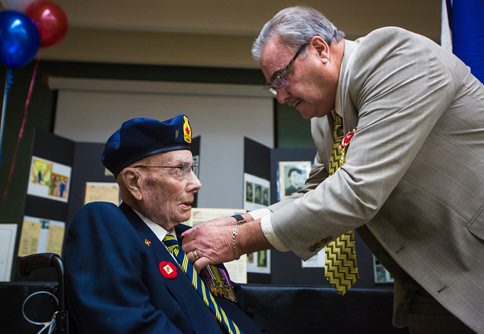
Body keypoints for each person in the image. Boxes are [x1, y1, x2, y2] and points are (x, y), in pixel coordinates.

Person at [181, 6, 484, 334]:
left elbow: (356, 191)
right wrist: (242, 220)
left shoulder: (395, 58)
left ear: (319, 49)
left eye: (282, 78)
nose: (281, 96)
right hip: (427, 280)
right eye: (273, 86)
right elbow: (313, 191)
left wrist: (238, 240)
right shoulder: (325, 121)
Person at [63, 114, 261, 333]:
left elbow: (238, 314)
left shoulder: (193, 240)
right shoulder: (105, 224)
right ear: (134, 182)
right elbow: (129, 325)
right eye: (179, 170)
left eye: (192, 168)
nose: (196, 183)